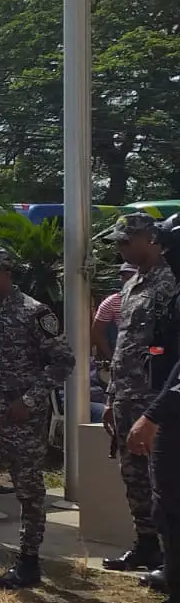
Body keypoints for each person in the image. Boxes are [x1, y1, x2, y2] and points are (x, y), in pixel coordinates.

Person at [0, 248, 75, 589]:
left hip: (20, 416)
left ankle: (28, 559)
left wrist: (31, 398)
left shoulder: (34, 313)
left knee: (29, 489)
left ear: (6, 274)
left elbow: (63, 361)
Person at [102, 214, 178, 573]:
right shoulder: (133, 284)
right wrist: (113, 395)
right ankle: (146, 545)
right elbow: (125, 346)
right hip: (127, 395)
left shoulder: (170, 282)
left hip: (155, 398)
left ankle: (169, 558)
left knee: (162, 480)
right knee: (133, 476)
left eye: (124, 241)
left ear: (150, 239)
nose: (119, 248)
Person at [92, 263, 137, 366]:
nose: (128, 280)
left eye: (132, 276)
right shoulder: (112, 302)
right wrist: (111, 357)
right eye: (124, 277)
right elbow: (97, 331)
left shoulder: (151, 297)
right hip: (124, 356)